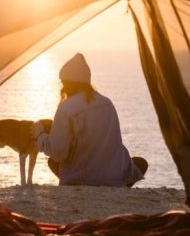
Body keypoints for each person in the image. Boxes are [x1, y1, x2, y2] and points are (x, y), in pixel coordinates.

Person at [31, 53, 147, 187]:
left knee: (53, 161)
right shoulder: (107, 103)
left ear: (66, 83)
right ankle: (118, 180)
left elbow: (58, 153)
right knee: (139, 163)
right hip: (113, 177)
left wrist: (40, 136)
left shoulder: (66, 108)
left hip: (83, 179)